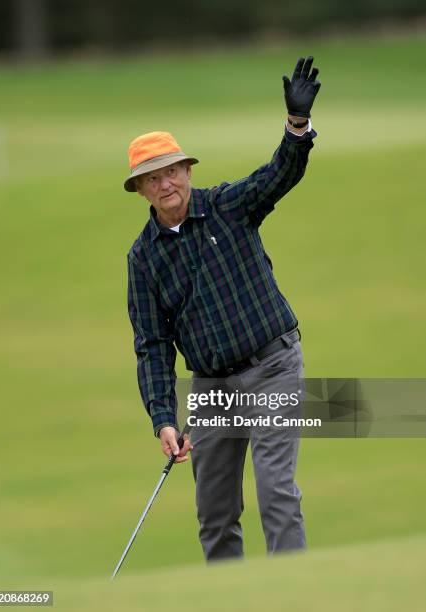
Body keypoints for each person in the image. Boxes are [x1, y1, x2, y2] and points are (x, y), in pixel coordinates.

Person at [125, 57, 321, 561]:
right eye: (154, 178)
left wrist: (296, 126)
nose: (166, 183)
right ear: (142, 190)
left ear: (187, 171)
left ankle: (294, 595)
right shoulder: (143, 258)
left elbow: (280, 174)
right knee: (214, 514)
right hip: (211, 387)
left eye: (173, 171)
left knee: (276, 494)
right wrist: (163, 419)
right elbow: (151, 345)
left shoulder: (229, 206)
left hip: (273, 366)